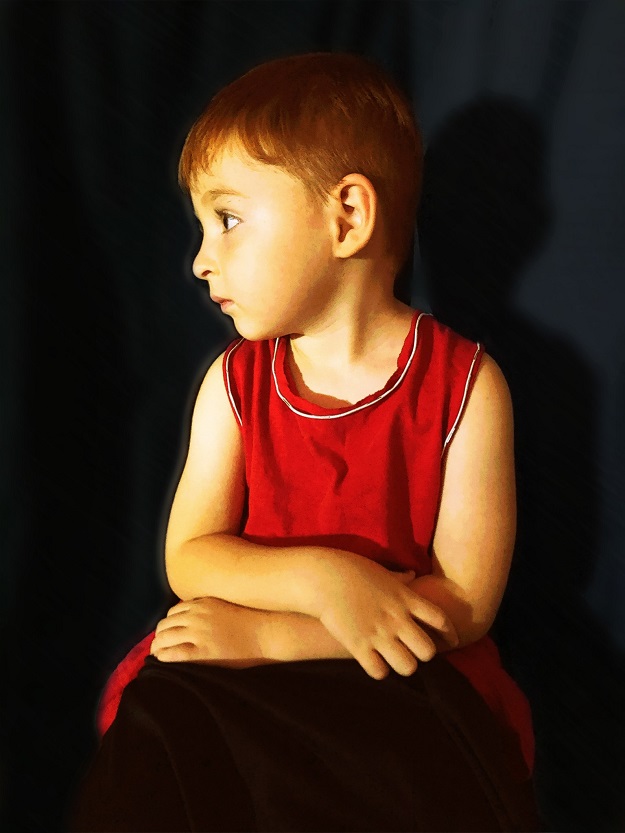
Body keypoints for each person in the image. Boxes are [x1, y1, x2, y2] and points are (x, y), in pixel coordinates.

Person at [70, 51, 541, 832]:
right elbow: (191, 555)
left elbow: (465, 604)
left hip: (396, 671)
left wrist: (281, 633)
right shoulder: (233, 383)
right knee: (162, 730)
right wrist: (325, 579)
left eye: (228, 220)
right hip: (242, 663)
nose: (200, 260)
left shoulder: (468, 386)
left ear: (346, 216)